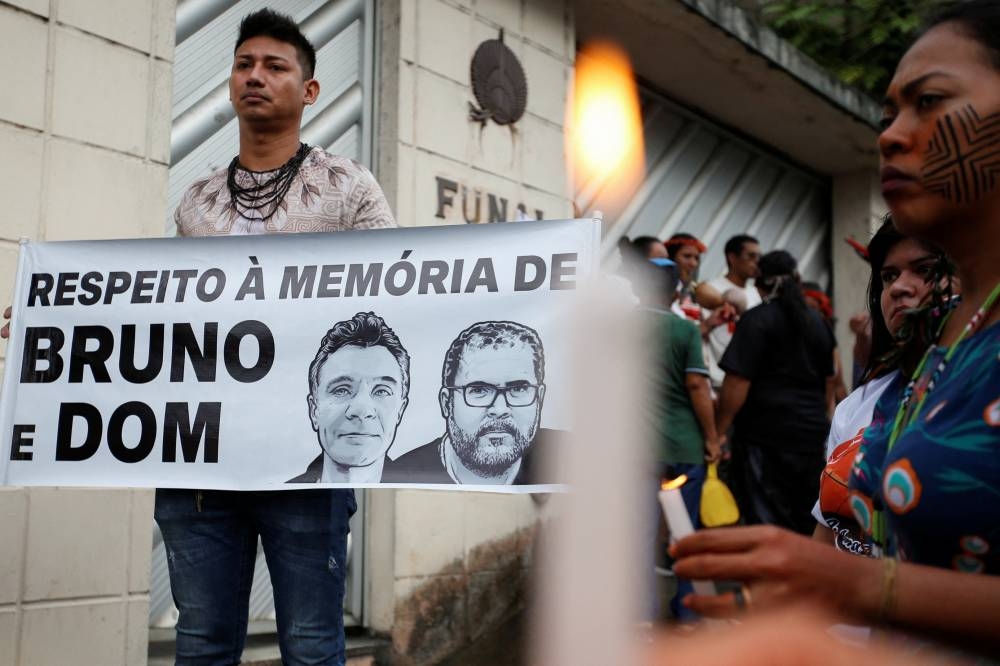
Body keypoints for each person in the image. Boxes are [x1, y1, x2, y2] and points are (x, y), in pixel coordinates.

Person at [671, 2, 1000, 657]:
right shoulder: (950, 343)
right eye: (887, 117)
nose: (891, 135)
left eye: (929, 101)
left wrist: (853, 583)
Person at [155, 9, 396, 665]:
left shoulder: (349, 190)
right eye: (243, 64)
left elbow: (398, 303)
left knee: (313, 646)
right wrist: (63, 322)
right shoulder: (197, 201)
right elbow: (171, 309)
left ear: (309, 90)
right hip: (202, 457)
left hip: (308, 458)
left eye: (274, 65)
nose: (254, 76)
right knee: (200, 643)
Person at [813, 219, 947, 555]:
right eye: (889, 276)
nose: (899, 287)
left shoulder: (983, 392)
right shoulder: (856, 406)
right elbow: (827, 537)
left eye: (925, 270)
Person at [715, 250, 836, 535]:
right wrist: (823, 422)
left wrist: (718, 432)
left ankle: (770, 579)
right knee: (803, 517)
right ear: (797, 279)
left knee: (766, 520)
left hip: (764, 438)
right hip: (809, 437)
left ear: (760, 284)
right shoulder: (817, 322)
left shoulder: (756, 320)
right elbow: (831, 381)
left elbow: (736, 384)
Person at [382, 320, 561, 485]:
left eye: (518, 389)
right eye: (479, 390)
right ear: (446, 403)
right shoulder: (402, 476)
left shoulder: (574, 460)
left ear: (540, 398)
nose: (499, 409)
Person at [289, 312, 409, 483]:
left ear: (400, 410)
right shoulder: (273, 500)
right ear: (314, 409)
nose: (361, 410)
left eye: (381, 391)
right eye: (341, 390)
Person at [701, 234, 762, 391]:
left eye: (759, 257)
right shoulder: (710, 290)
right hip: (716, 380)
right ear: (732, 258)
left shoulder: (755, 293)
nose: (757, 262)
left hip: (749, 381)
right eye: (751, 256)